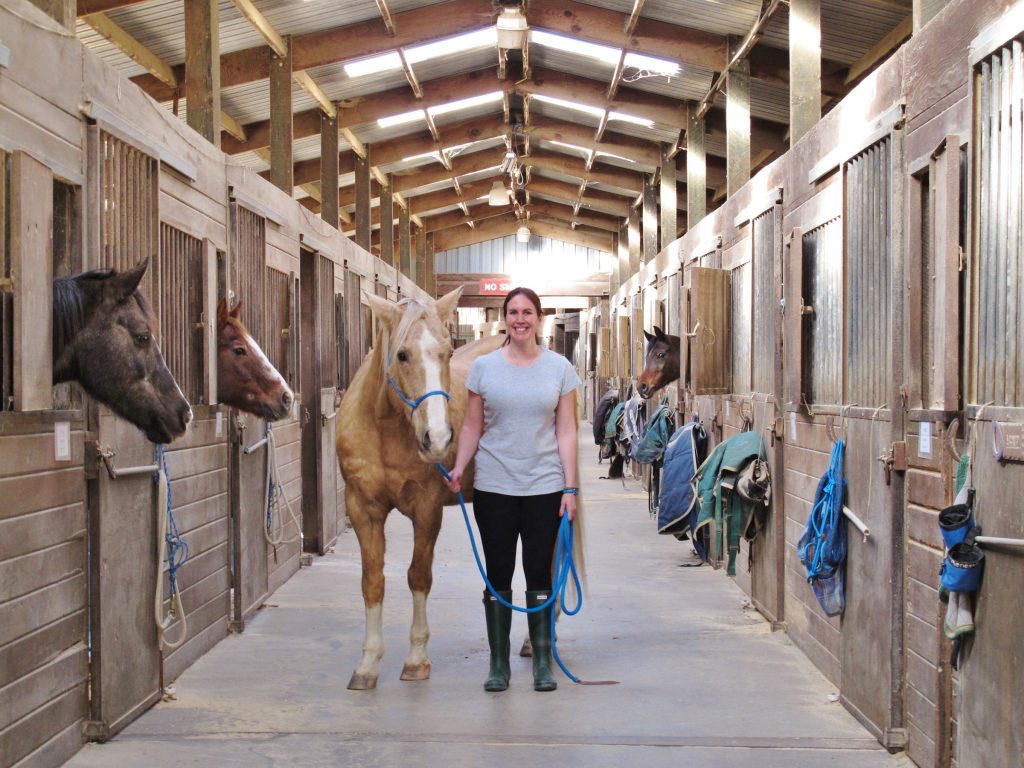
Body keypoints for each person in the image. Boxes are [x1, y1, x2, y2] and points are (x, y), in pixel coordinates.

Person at [446, 287, 581, 693]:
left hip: (544, 486)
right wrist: (459, 466)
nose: (519, 319)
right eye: (513, 312)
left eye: (527, 312)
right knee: (498, 573)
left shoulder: (559, 369)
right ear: (505, 318)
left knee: (539, 572)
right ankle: (498, 664)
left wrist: (570, 487)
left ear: (538, 318)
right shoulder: (484, 368)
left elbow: (567, 430)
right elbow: (472, 426)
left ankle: (542, 661)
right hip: (494, 486)